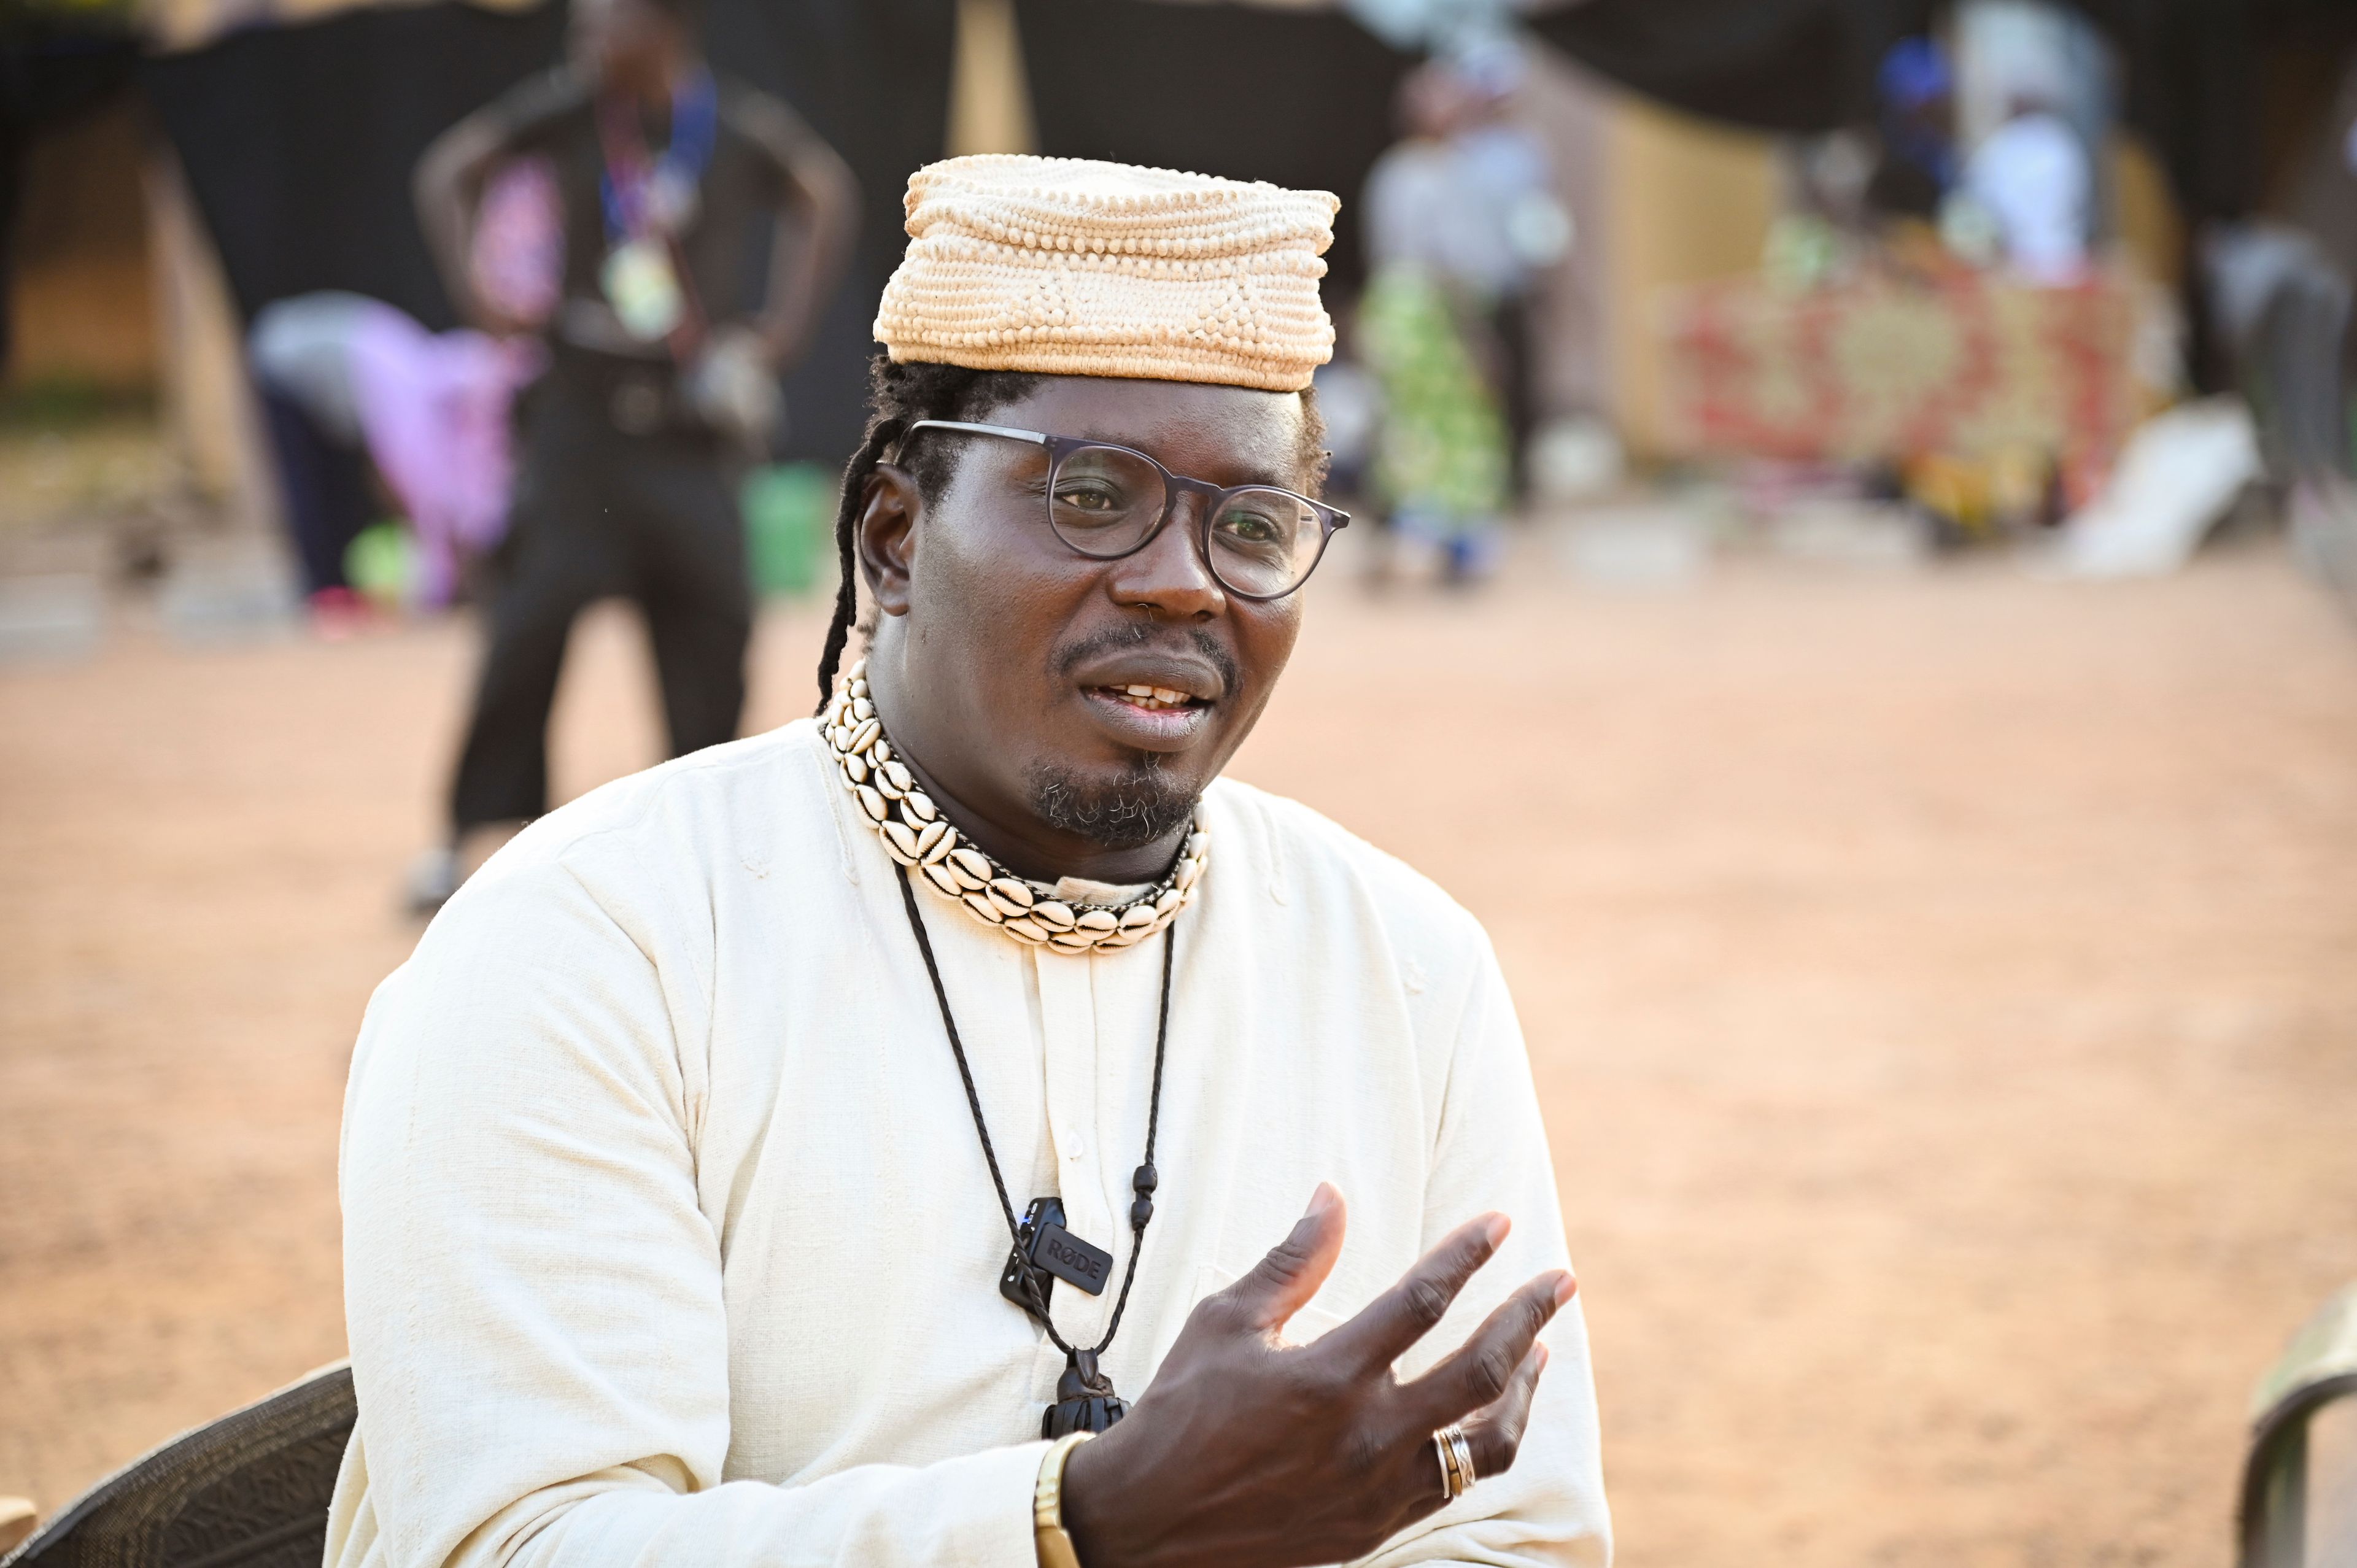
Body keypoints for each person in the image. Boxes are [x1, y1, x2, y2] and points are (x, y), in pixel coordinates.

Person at [329, 155, 1608, 1568]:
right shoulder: (588, 947)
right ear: (894, 537)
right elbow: (520, 1546)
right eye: (1095, 496)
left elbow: (1518, 1532)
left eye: (1251, 525)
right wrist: (1084, 1522)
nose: (1186, 580)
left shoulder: (1406, 967)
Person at [403, 0, 857, 911]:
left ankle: (709, 853)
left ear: (664, 29)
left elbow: (824, 191)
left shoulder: (730, 126)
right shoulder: (570, 111)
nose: (582, 44)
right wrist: (480, 295)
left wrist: (782, 330)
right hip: (581, 430)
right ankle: (468, 839)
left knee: (714, 631)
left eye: (600, 25)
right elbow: (449, 168)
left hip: (690, 436)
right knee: (525, 629)